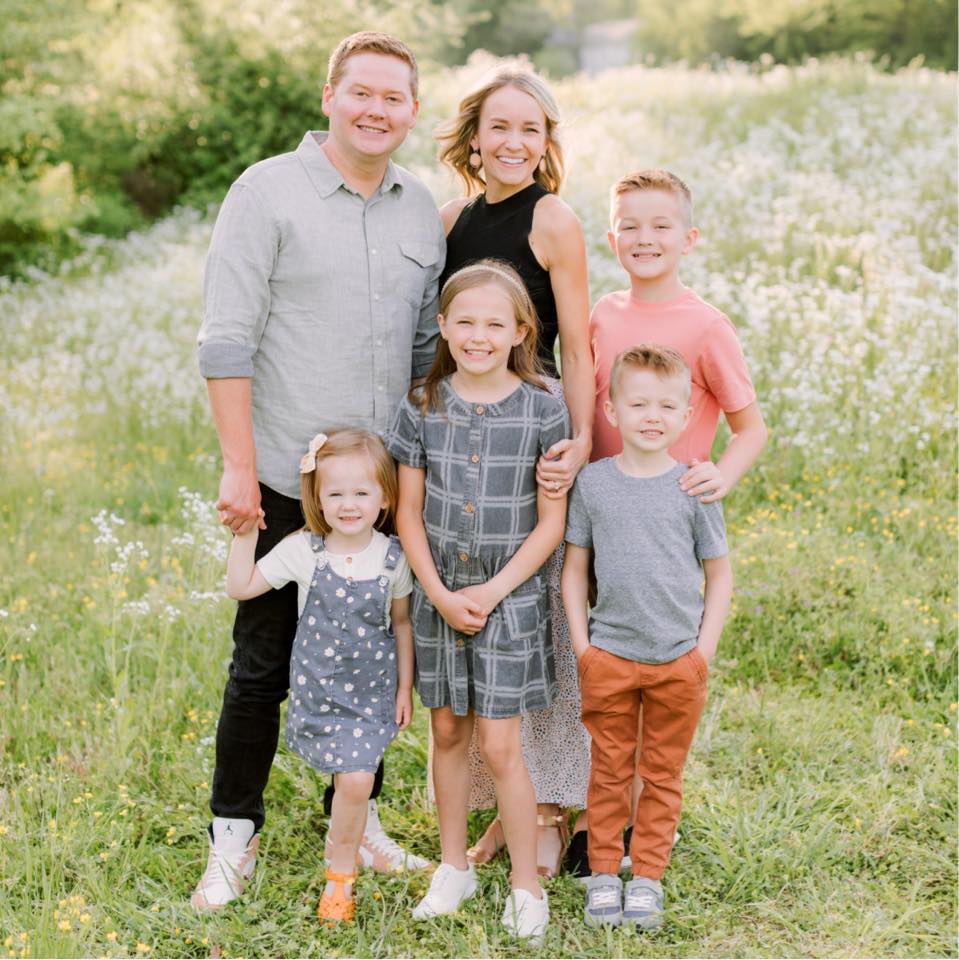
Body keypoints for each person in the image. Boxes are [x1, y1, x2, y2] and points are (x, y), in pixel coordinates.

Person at [192, 31, 443, 910]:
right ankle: (233, 838)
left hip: (374, 493)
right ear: (329, 95)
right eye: (361, 92)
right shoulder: (266, 192)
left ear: (413, 111)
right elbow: (226, 337)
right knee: (262, 662)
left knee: (373, 663)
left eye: (395, 97)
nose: (377, 110)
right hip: (282, 475)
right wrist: (236, 466)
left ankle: (360, 825)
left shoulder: (423, 209)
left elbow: (425, 354)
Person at [568, 169, 767, 878]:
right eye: (630, 225)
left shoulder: (703, 324)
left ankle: (649, 829)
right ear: (611, 235)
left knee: (660, 674)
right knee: (598, 673)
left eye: (660, 226)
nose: (644, 238)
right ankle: (591, 815)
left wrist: (722, 472)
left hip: (666, 521)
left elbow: (749, 427)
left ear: (688, 237)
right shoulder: (599, 315)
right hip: (597, 510)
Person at [433, 64, 593, 878]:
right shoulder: (452, 216)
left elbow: (578, 345)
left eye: (530, 129)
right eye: (499, 126)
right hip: (464, 441)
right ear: (473, 137)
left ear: (545, 143)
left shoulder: (553, 219)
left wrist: (582, 443)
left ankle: (554, 807)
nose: (513, 143)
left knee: (543, 629)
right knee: (483, 628)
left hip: (533, 436)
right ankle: (501, 809)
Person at [388, 260, 569, 943]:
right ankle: (453, 865)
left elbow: (549, 523)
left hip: (509, 602)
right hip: (440, 598)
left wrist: (491, 592)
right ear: (442, 326)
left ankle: (525, 886)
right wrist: (437, 592)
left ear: (520, 329)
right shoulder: (422, 405)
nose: (478, 335)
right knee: (446, 734)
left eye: (495, 323)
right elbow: (407, 513)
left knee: (500, 745)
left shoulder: (543, 407)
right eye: (464, 321)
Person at [562, 345, 733, 929]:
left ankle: (649, 878)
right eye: (637, 403)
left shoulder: (694, 487)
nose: (651, 415)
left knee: (661, 774)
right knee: (608, 771)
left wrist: (701, 653)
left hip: (676, 661)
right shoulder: (593, 485)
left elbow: (719, 574)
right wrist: (584, 649)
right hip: (609, 656)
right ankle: (605, 873)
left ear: (687, 416)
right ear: (611, 410)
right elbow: (575, 569)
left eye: (666, 405)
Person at [224, 430, 415, 923]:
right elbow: (241, 587)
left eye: (361, 493)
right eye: (335, 494)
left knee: (355, 781)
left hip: (370, 697)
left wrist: (403, 687)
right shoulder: (304, 551)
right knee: (349, 779)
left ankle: (341, 873)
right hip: (321, 695)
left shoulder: (393, 558)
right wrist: (246, 535)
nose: (348, 505)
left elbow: (401, 624)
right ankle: (344, 848)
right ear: (317, 498)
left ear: (384, 499)